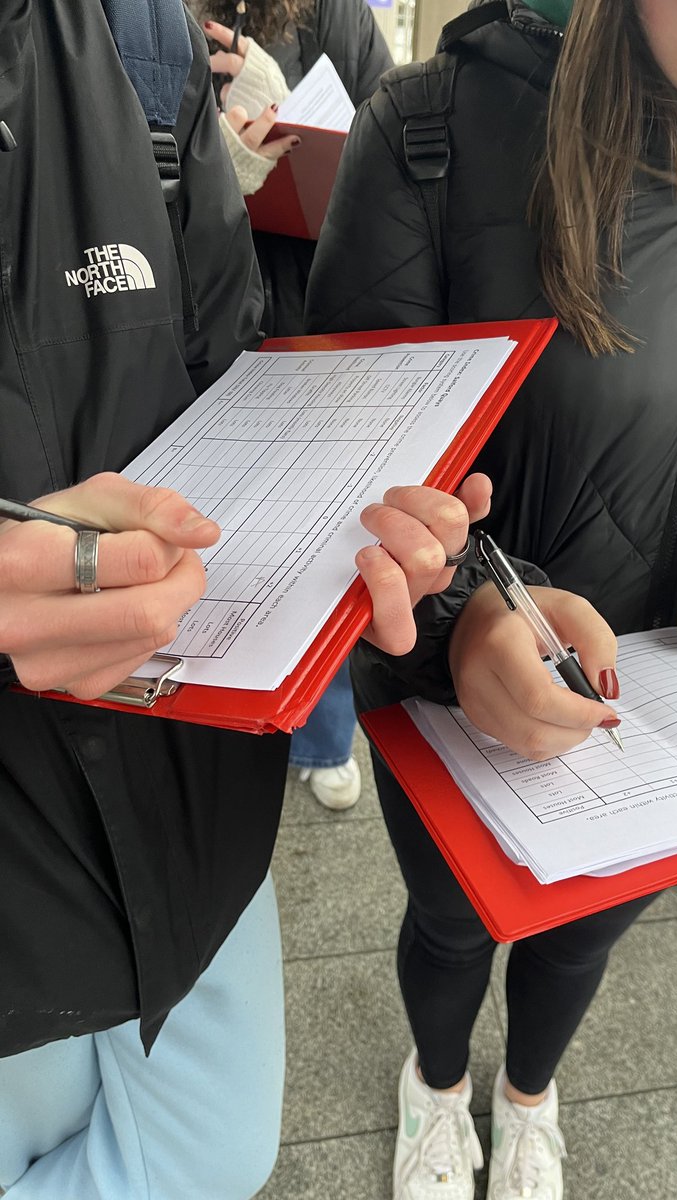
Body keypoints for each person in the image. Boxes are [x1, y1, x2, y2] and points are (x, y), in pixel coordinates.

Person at [304, 0, 677, 1195]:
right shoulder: (436, 130)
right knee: (452, 922)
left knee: (584, 936)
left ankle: (529, 1093)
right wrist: (467, 609)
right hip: (454, 707)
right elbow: (341, 476)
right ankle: (435, 1083)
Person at [0, 3, 488, 1198]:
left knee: (210, 1159)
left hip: (188, 793)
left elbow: (224, 383)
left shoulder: (135, 36)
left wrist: (367, 547)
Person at [199, 0, 395, 809]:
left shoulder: (333, 12)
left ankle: (320, 731)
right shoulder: (132, 21)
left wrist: (303, 124)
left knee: (320, 543)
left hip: (315, 312)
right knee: (210, 537)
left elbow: (395, 149)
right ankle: (213, 722)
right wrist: (219, 163)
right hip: (201, 323)